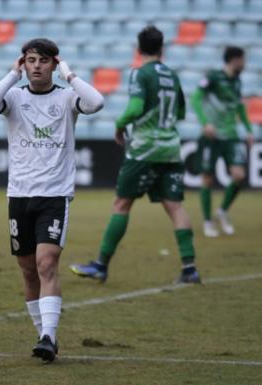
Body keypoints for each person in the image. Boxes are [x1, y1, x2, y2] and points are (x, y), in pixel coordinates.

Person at [0, 38, 104, 363]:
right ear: (24, 64)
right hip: (19, 195)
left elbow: (98, 102)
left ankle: (49, 336)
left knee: (46, 263)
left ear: (53, 65)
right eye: (31, 60)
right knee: (28, 270)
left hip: (54, 195)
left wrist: (70, 75)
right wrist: (10, 75)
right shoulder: (15, 97)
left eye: (43, 61)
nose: (36, 66)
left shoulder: (66, 97)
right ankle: (43, 335)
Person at [69, 26, 200, 285]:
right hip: (171, 149)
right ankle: (190, 269)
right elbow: (181, 113)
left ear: (138, 50)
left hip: (145, 150)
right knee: (175, 207)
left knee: (121, 204)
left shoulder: (140, 74)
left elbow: (135, 108)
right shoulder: (173, 76)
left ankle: (101, 265)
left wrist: (120, 124)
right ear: (162, 49)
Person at [190, 46, 254, 237]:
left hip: (231, 136)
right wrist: (205, 123)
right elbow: (195, 98)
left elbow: (239, 108)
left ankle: (222, 211)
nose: (244, 64)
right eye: (242, 60)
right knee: (207, 179)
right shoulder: (213, 77)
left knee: (239, 175)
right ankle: (208, 221)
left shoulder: (237, 82)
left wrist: (249, 130)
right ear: (234, 60)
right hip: (211, 136)